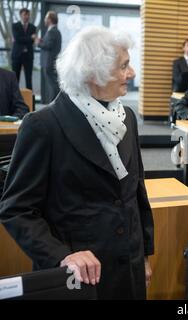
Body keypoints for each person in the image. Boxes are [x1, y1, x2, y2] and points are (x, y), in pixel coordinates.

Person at [0, 26, 154, 300]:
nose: (131, 74)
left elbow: (135, 193)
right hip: (78, 280)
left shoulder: (126, 117)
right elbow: (16, 209)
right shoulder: (43, 126)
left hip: (129, 269)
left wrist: (144, 256)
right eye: (124, 66)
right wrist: (62, 256)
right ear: (94, 73)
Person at [36, 11, 62, 104]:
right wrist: (42, 41)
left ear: (50, 19)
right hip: (50, 62)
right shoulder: (54, 31)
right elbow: (50, 44)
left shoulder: (52, 31)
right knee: (53, 84)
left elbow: (49, 46)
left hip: (49, 63)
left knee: (53, 85)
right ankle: (55, 103)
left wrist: (38, 43)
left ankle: (54, 104)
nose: (44, 20)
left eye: (46, 18)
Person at [11, 8, 37, 90]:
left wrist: (25, 39)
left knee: (29, 79)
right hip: (17, 56)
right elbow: (18, 39)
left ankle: (30, 102)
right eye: (25, 14)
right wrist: (30, 37)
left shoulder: (33, 27)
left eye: (28, 14)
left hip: (28, 56)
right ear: (20, 15)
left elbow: (32, 41)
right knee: (15, 79)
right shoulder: (15, 26)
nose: (27, 16)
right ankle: (14, 101)